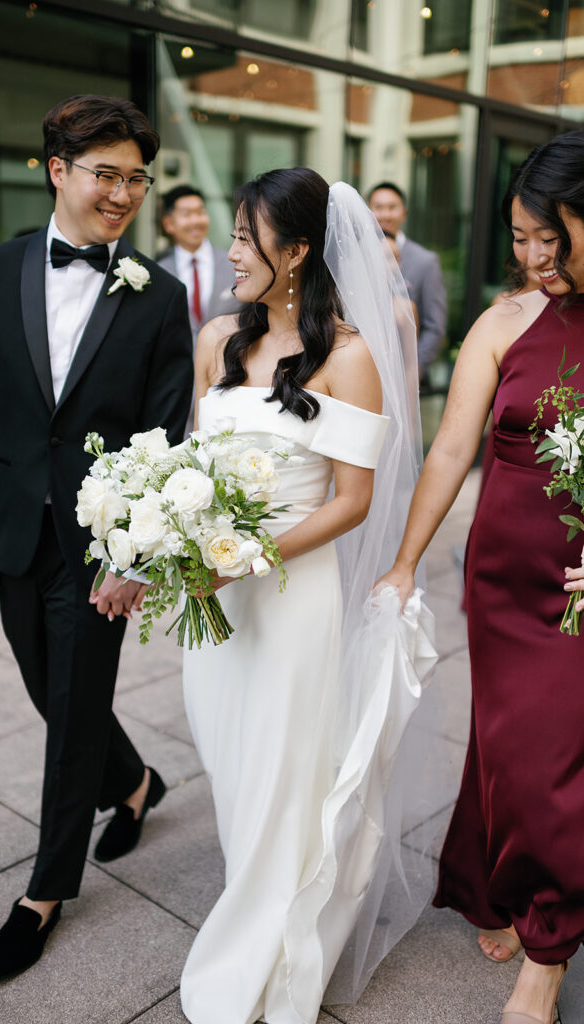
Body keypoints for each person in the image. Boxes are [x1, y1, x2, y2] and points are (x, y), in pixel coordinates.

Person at [174, 168, 438, 1024]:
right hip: (209, 602)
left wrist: (241, 559)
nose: (232, 252)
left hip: (287, 597)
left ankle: (267, 943)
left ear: (296, 253)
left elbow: (352, 500)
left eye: (248, 240)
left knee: (278, 771)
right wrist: (149, 545)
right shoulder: (216, 338)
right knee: (227, 760)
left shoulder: (350, 356)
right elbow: (184, 463)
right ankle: (254, 892)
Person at [0, 94, 193, 982]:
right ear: (58, 169)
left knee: (71, 714)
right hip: (13, 529)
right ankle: (135, 784)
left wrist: (131, 558)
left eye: (137, 177)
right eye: (105, 174)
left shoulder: (160, 298)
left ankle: (42, 894)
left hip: (100, 548)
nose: (123, 192)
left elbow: (164, 439)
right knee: (50, 690)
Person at [379, 131, 584, 1023]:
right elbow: (452, 450)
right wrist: (403, 562)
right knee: (508, 747)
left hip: (578, 588)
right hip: (500, 579)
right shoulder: (500, 323)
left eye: (555, 238)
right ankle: (504, 880)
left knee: (549, 757)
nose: (535, 258)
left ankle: (548, 949)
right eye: (519, 238)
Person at [368, 181, 447, 382]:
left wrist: (413, 372)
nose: (385, 215)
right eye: (378, 207)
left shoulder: (425, 261)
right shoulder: (356, 256)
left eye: (392, 207)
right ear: (368, 212)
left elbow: (435, 325)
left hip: (404, 377)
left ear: (404, 212)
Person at [157, 184, 238, 339]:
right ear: (168, 224)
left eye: (200, 212)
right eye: (186, 214)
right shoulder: (160, 271)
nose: (196, 221)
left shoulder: (233, 263)